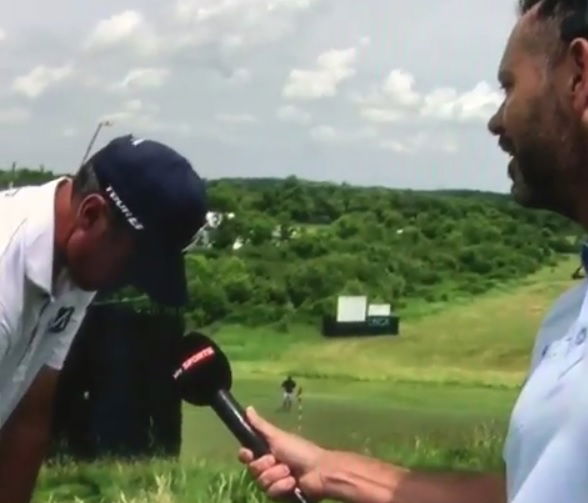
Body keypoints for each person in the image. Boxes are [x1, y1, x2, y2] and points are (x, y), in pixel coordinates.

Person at [239, 1, 588, 502]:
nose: (495, 121)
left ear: (580, 76)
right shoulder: (565, 319)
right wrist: (335, 471)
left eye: (509, 86)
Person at [0, 134, 207, 503]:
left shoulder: (78, 261)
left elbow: (30, 414)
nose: (127, 280)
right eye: (132, 264)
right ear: (91, 213)